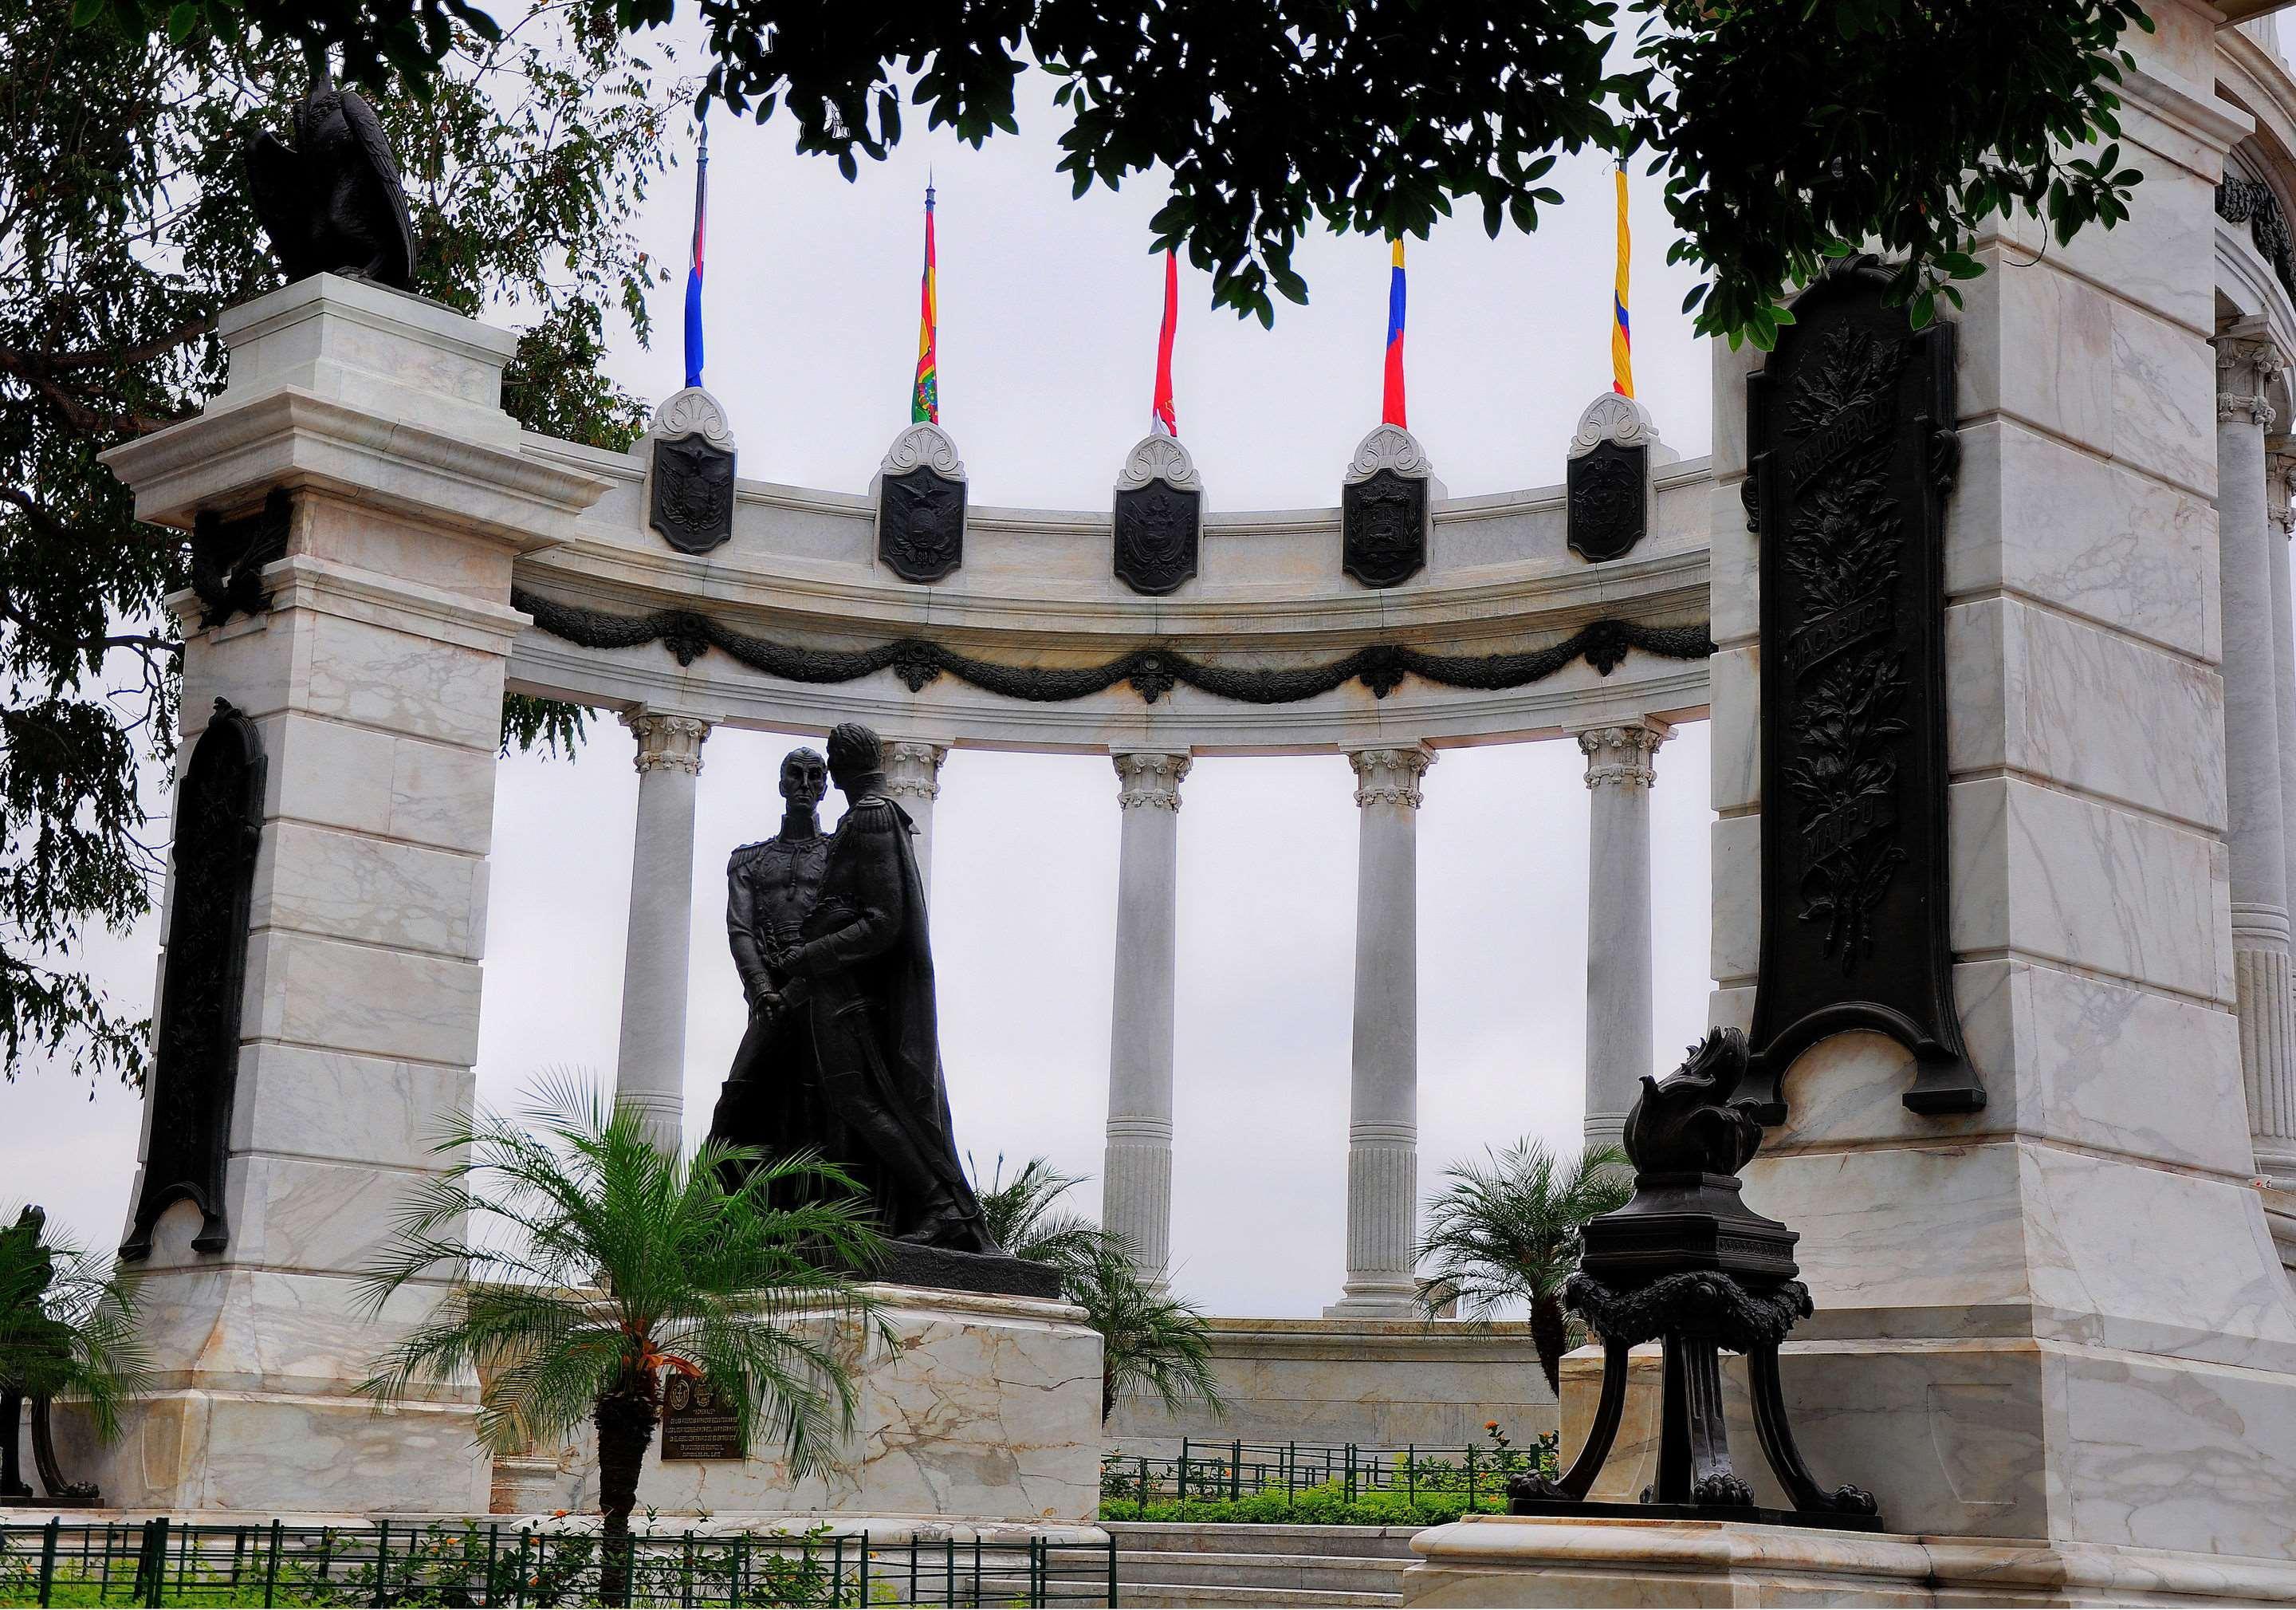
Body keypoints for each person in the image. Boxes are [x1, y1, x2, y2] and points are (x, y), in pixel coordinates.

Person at [759, 723, 1000, 1251]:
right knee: (850, 1106)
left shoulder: (870, 816)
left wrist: (809, 955)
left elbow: (884, 920)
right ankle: (892, 1212)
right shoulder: (872, 815)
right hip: (841, 992)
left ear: (840, 767)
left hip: (849, 998)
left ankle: (940, 1204)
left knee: (859, 1102)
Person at [706, 747, 838, 1189]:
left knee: (815, 1098)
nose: (805, 785)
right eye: (795, 776)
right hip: (767, 994)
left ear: (825, 786)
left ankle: (817, 1209)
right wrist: (762, 990)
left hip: (821, 992)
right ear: (781, 784)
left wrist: (802, 984)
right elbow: (739, 929)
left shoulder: (839, 853)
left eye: (815, 777)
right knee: (741, 1093)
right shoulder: (750, 860)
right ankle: (713, 1206)